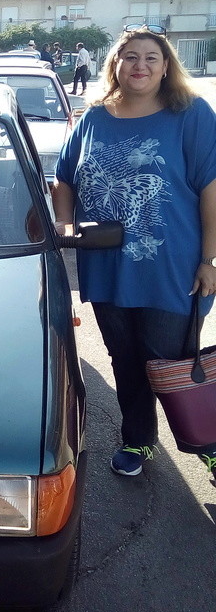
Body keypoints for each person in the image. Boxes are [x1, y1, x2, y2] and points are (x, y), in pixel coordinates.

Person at [53, 28, 216, 477]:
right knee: (126, 361)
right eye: (130, 57)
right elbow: (63, 176)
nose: (140, 65)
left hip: (173, 268)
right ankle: (139, 440)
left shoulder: (191, 115)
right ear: (116, 65)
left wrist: (210, 260)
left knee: (177, 364)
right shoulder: (94, 118)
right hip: (106, 267)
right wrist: (65, 223)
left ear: (166, 68)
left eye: (151, 58)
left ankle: (208, 444)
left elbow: (211, 191)